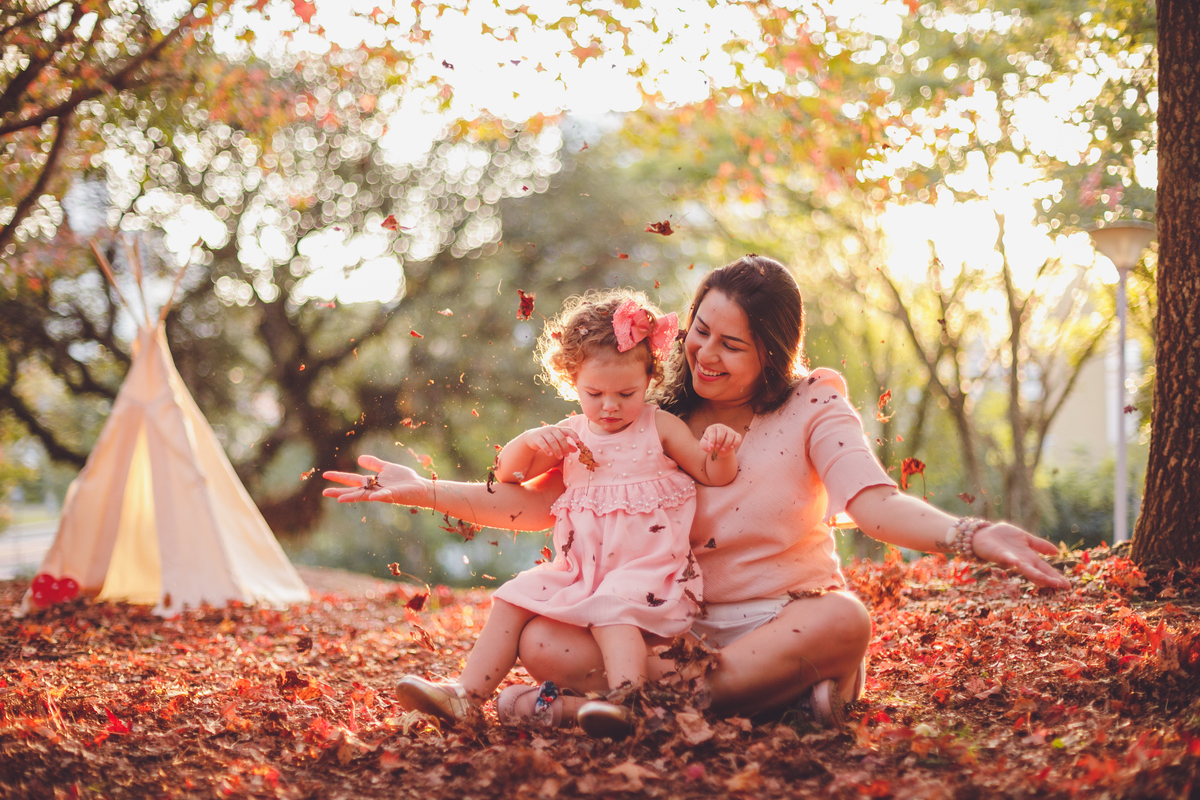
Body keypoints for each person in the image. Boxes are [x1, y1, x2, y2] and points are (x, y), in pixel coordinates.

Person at [324, 254, 1070, 731]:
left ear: (773, 353)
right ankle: (727, 704)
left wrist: (971, 536)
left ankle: (587, 710)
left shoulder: (814, 406)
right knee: (543, 633)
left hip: (783, 623)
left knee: (844, 621)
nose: (706, 354)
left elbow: (875, 503)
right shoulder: (650, 417)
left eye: (733, 344)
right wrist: (418, 491)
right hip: (663, 634)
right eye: (700, 332)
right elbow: (540, 506)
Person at [386, 290, 742, 737]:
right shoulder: (570, 435)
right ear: (571, 380)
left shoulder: (659, 426)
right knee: (514, 595)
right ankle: (466, 695)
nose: (610, 406)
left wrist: (722, 451)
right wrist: (532, 440)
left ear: (649, 380)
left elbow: (712, 473)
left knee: (615, 605)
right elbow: (508, 475)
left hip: (648, 570)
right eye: (594, 393)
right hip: (581, 570)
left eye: (625, 393)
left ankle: (628, 702)